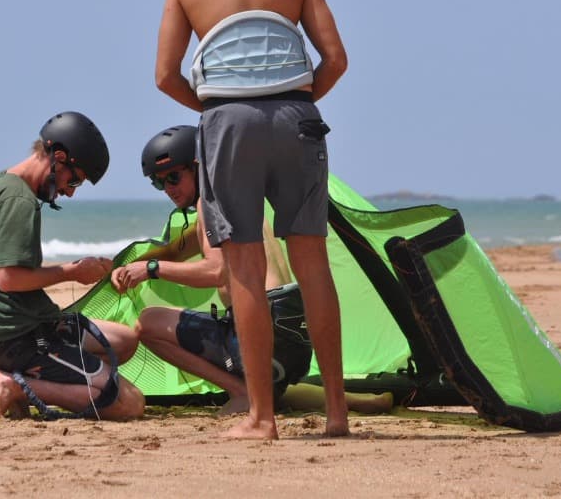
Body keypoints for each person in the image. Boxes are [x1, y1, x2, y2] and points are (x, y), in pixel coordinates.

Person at [155, 0, 350, 439]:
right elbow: (335, 60)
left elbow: (166, 75)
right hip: (296, 116)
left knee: (243, 267)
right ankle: (337, 416)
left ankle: (261, 418)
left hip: (227, 120)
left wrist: (219, 113)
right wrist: (297, 103)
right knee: (312, 264)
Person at [110, 125, 392, 418]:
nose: (169, 189)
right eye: (159, 183)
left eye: (173, 177)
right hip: (292, 339)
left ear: (198, 167)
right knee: (272, 389)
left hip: (262, 333)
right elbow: (174, 251)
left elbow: (216, 271)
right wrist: (121, 267)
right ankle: (356, 400)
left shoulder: (210, 206)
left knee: (148, 323)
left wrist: (151, 269)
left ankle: (241, 393)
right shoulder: (237, 201)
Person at [0, 111, 145, 421]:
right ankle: (12, 385)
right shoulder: (20, 200)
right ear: (59, 157)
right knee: (130, 403)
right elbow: (8, 278)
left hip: (8, 327)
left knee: (125, 340)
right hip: (13, 337)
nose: (70, 191)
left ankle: (51, 381)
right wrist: (73, 272)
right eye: (75, 179)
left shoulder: (3, 183)